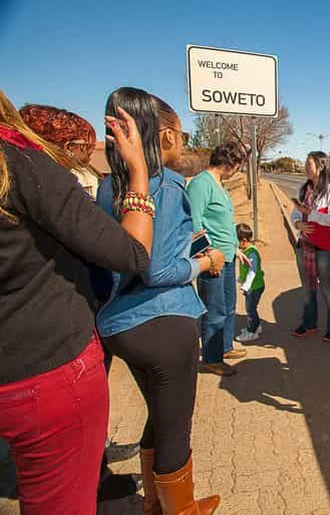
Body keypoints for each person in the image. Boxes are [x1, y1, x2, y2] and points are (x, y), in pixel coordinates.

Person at [0, 89, 153, 514]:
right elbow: (134, 254)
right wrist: (138, 173)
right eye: (79, 151)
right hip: (46, 373)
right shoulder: (21, 164)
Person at [95, 88, 223, 514]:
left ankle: (154, 503)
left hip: (120, 323)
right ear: (165, 135)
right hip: (164, 320)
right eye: (182, 135)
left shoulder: (108, 184)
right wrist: (205, 262)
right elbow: (156, 270)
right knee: (175, 429)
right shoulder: (167, 184)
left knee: (159, 416)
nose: (184, 144)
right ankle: (179, 509)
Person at [187, 142, 249, 376]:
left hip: (228, 255)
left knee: (228, 305)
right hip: (213, 258)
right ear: (229, 164)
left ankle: (225, 346)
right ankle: (212, 358)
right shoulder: (201, 185)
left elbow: (224, 223)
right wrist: (207, 256)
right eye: (237, 165)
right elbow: (194, 224)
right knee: (214, 309)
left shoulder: (219, 185)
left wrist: (236, 249)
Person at [290, 151, 330, 342]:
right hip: (304, 245)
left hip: (324, 249)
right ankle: (309, 323)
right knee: (307, 288)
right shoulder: (304, 189)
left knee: (328, 289)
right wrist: (298, 223)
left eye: (308, 164)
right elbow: (294, 214)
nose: (305, 168)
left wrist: (310, 214)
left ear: (320, 166)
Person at [235, 223, 265, 343]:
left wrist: (246, 285)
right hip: (253, 286)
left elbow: (252, 271)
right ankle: (256, 327)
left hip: (254, 287)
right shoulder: (248, 250)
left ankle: (252, 331)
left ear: (243, 241)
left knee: (250, 309)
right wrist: (241, 279)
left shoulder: (251, 253)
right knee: (252, 308)